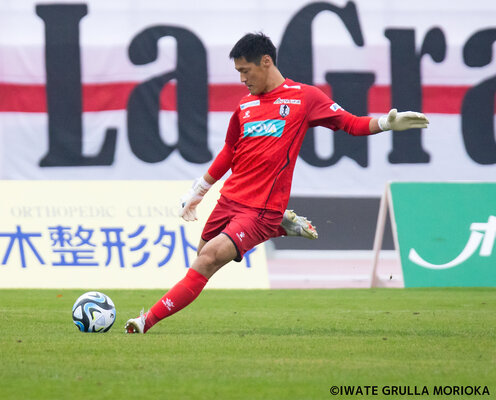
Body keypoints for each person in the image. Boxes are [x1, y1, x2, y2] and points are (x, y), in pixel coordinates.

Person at [125, 32, 429, 334]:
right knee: (202, 258)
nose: (242, 79)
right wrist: (198, 190)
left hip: (260, 206)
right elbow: (230, 151)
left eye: (245, 71)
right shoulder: (245, 106)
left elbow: (350, 123)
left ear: (266, 61)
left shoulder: (304, 97)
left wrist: (387, 123)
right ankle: (279, 227)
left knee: (208, 258)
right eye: (238, 73)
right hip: (230, 200)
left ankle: (144, 322)